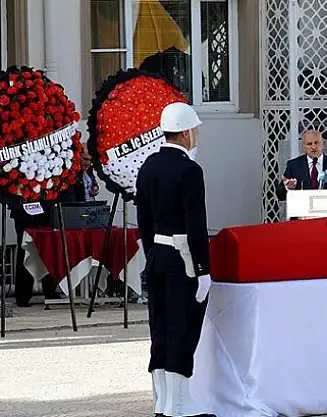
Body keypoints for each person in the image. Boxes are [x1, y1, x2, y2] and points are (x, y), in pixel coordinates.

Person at [136, 102, 214, 417]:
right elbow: (196, 224)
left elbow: (143, 220)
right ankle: (179, 405)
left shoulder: (148, 165)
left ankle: (163, 400)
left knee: (160, 328)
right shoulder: (190, 170)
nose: (197, 135)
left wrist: (151, 255)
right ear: (184, 133)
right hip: (183, 260)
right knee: (183, 328)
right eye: (195, 130)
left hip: (157, 256)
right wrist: (203, 269)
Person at [276, 130, 327, 200]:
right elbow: (280, 195)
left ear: (322, 145)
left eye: (316, 143)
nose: (313, 147)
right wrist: (288, 189)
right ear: (304, 147)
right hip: (303, 207)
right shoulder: (294, 165)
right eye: (309, 144)